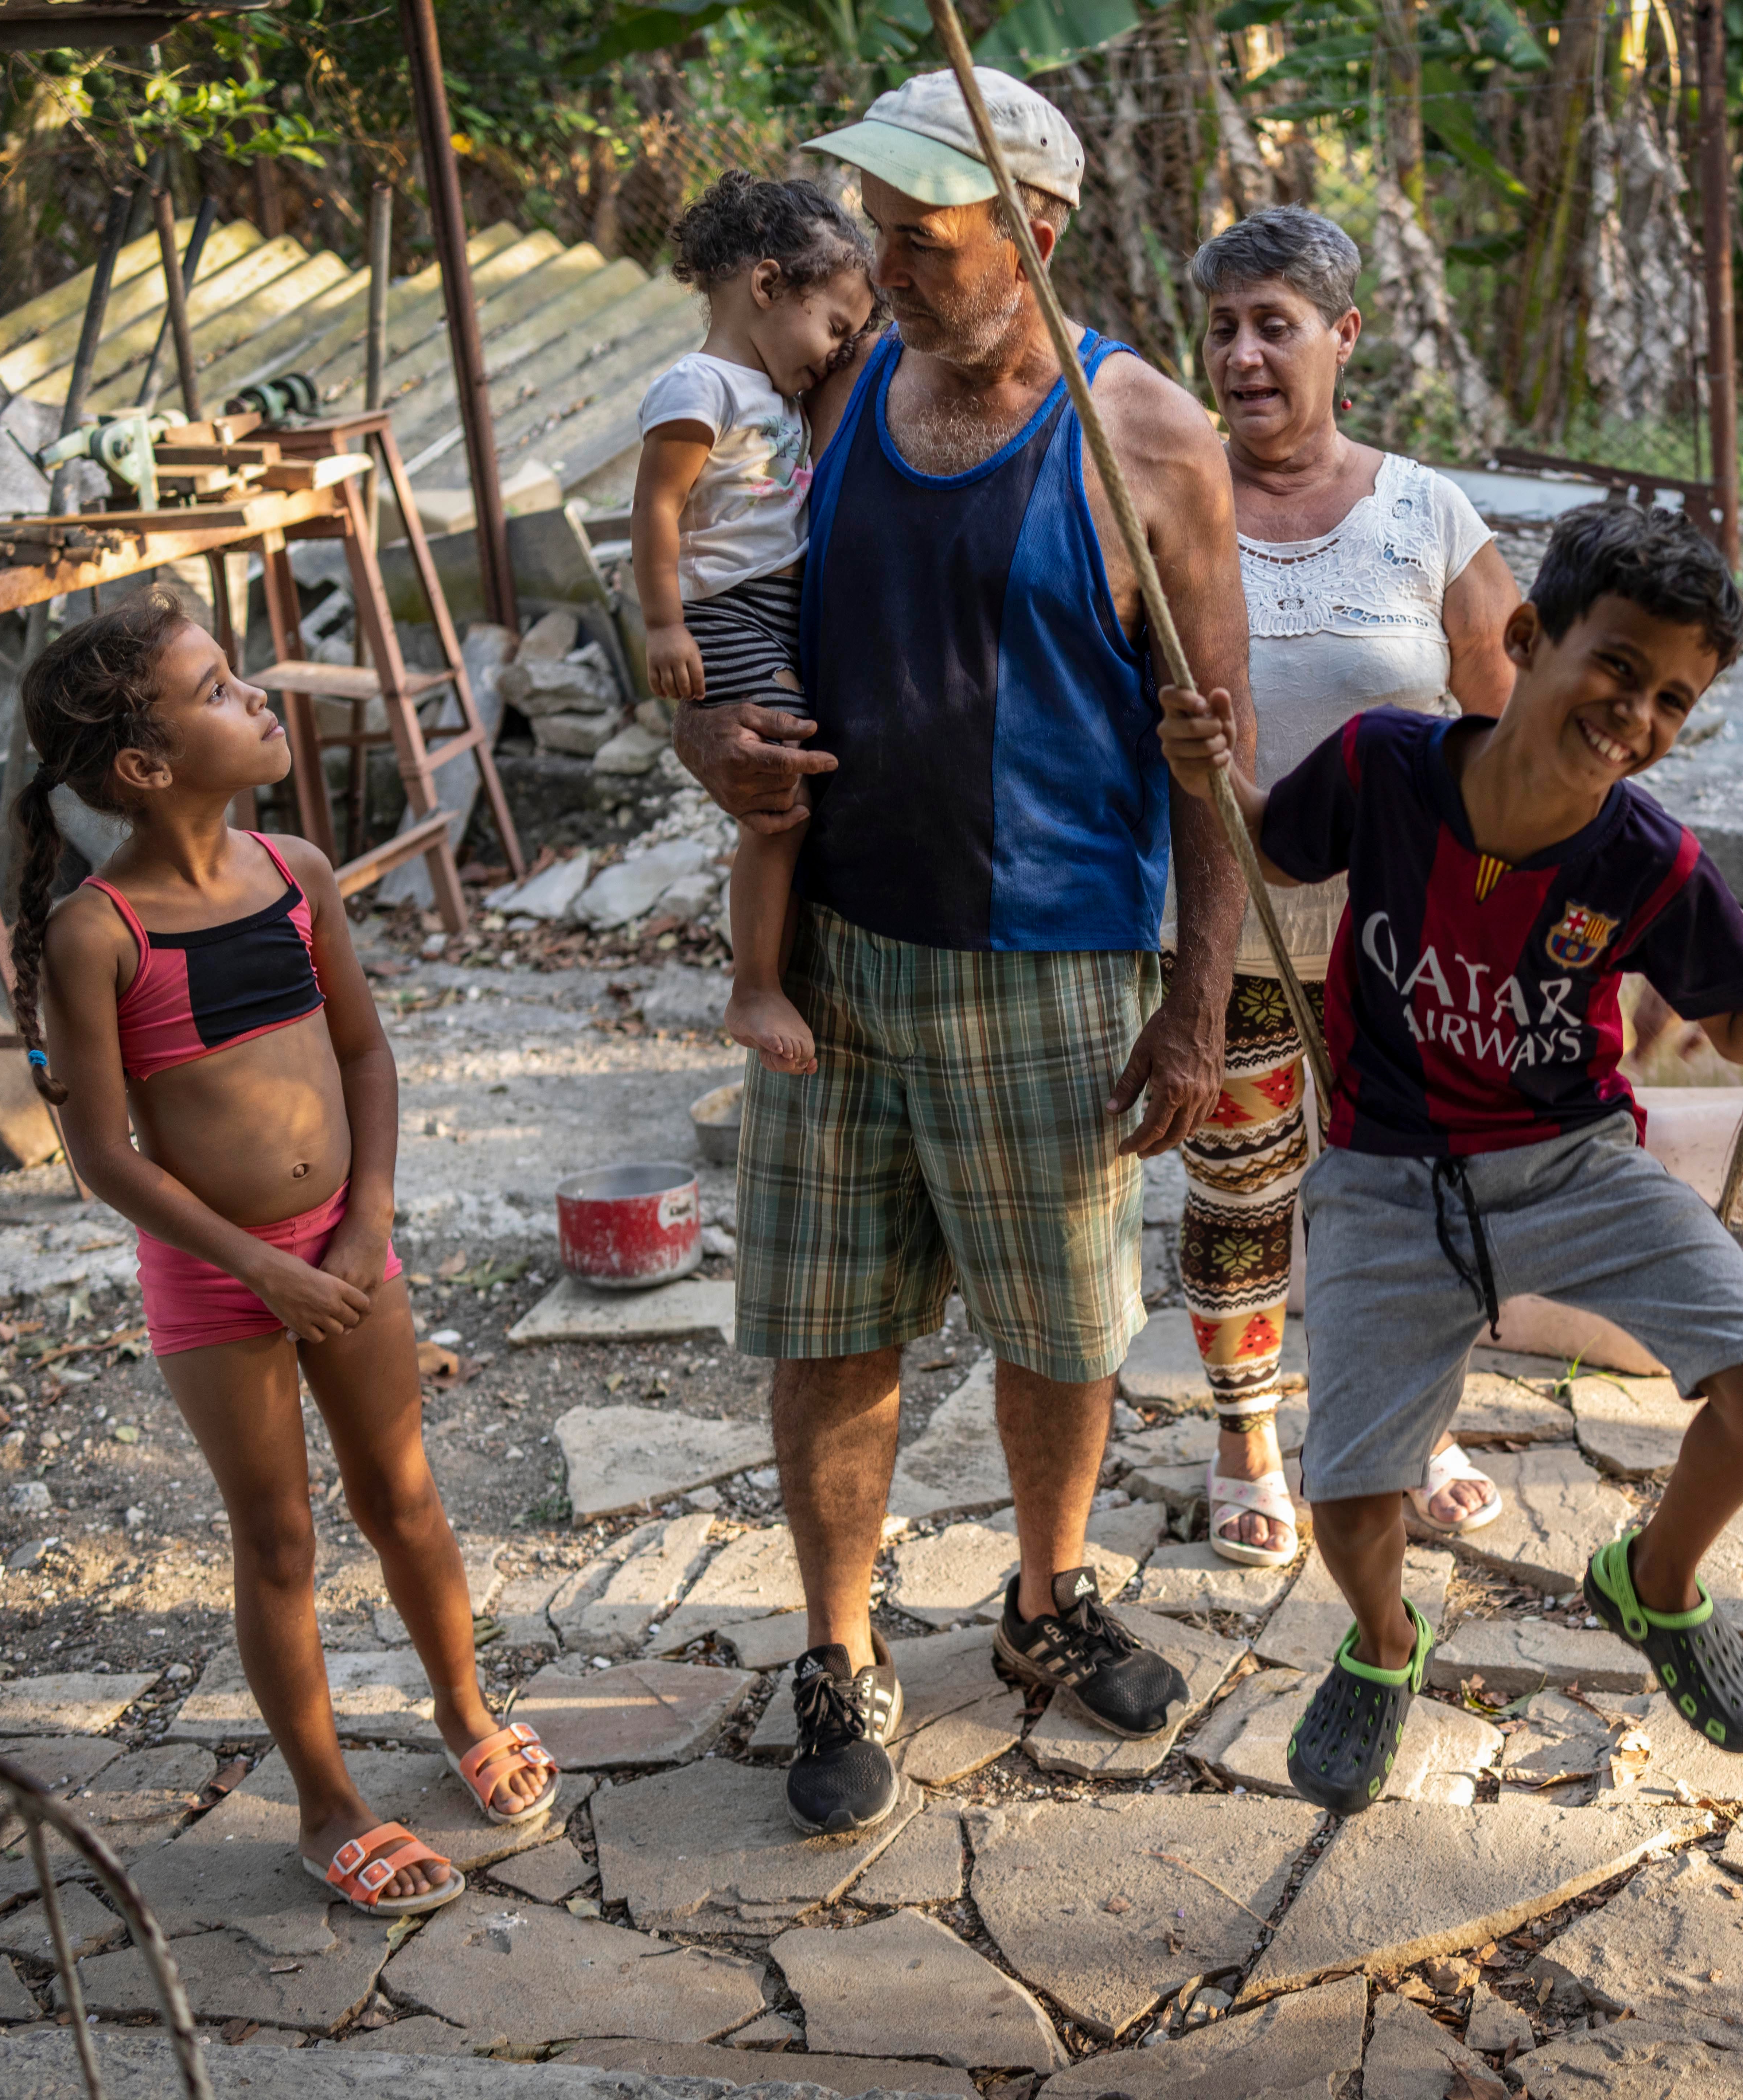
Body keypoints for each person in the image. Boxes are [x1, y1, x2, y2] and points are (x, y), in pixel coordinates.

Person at [670, 67, 1252, 1836]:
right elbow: (718, 605)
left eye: (930, 243)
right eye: (882, 242)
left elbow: (1222, 751)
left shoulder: (1142, 436)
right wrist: (699, 737)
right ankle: (840, 1649)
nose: (891, 275)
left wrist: (1193, 1007)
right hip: (836, 954)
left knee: (1062, 1335)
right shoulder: (827, 395)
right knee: (829, 1334)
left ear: (1043, 232)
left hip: (1052, 964)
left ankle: (1045, 1597)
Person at [1153, 502, 1743, 1812]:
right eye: (1618, 668)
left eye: (1672, 703)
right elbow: (1276, 841)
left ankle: (1654, 1586)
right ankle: (1382, 1648)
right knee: (1353, 1502)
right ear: (1528, 637)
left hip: (1574, 1164)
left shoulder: (1647, 858)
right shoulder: (1380, 767)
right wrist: (1211, 773)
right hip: (1382, 1173)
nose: (1636, 717)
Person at [11, 593, 555, 1915]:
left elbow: (364, 1053)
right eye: (218, 688)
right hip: (220, 1278)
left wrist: (365, 1223)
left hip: (349, 1252)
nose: (258, 697)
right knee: (281, 1541)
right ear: (145, 768)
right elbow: (108, 1159)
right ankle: (326, 1805)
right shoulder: (100, 936)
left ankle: (464, 1709)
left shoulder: (297, 874)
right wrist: (262, 1269)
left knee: (407, 1498)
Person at [1174, 206, 1527, 1568]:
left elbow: (1504, 720)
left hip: (1405, 944)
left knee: (1409, 1190)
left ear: (1343, 338)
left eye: (1275, 325)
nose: (1246, 356)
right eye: (1223, 329)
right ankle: (1247, 1438)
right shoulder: (1163, 499)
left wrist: (1508, 918)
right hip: (1223, 930)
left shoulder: (1424, 510)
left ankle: (1407, 1425)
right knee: (1241, 1187)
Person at [632, 172, 880, 1076]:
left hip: (774, 605)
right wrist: (664, 627)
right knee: (779, 795)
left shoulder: (773, 388)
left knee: (793, 789)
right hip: (723, 610)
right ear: (769, 287)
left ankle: (763, 976)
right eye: (835, 327)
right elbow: (657, 510)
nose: (837, 351)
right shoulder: (700, 387)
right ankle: (753, 986)